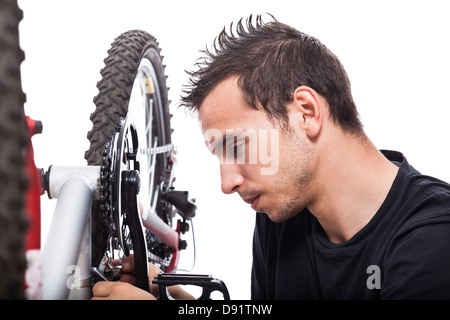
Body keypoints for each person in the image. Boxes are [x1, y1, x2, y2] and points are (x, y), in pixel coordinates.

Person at [92, 14, 450, 300]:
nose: (226, 183)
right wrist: (172, 296)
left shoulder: (434, 242)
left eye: (237, 145)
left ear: (306, 113)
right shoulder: (283, 214)